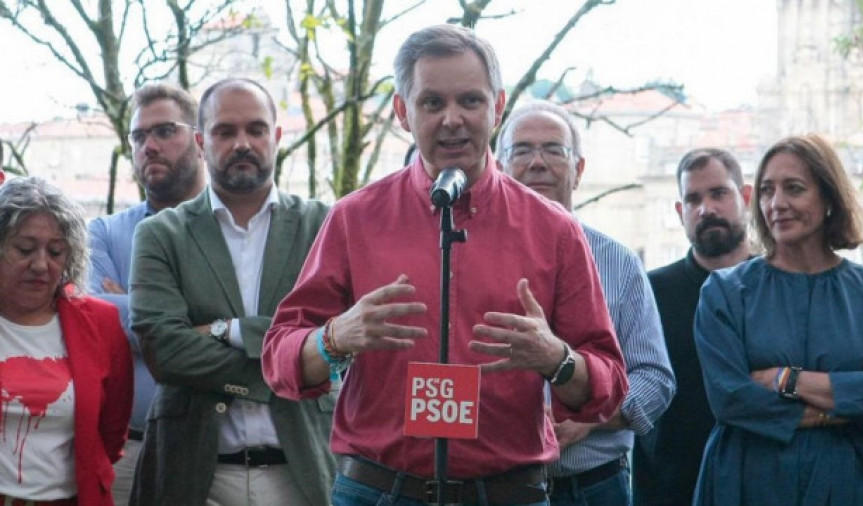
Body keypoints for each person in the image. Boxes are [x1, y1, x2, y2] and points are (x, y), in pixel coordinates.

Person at [263, 24, 627, 506]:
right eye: (432, 103)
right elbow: (279, 360)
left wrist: (556, 359)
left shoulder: (555, 229)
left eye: (470, 101)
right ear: (402, 112)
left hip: (507, 492)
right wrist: (334, 338)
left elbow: (609, 385)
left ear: (497, 107)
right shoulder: (354, 218)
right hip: (377, 490)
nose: (452, 119)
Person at [128, 78, 335, 506]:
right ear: (202, 142)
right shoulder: (160, 235)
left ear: (276, 137)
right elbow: (165, 351)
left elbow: (338, 336)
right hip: (193, 475)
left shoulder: (324, 225)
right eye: (225, 131)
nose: (242, 143)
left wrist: (228, 330)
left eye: (255, 129)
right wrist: (292, 361)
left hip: (303, 472)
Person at [692, 134, 863, 505]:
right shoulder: (724, 292)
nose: (777, 203)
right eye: (768, 191)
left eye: (794, 189)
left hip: (856, 482)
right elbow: (732, 400)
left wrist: (786, 379)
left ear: (829, 199)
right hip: (749, 482)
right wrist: (853, 397)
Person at [496, 100, 675, 505]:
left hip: (592, 488)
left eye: (554, 149)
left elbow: (655, 379)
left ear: (578, 170)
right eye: (521, 150)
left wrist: (590, 417)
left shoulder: (619, 263)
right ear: (499, 168)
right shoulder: (468, 259)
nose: (537, 162)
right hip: (497, 487)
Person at [87, 82, 205, 505]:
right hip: (125, 451)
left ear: (200, 138)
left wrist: (132, 305)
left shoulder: (232, 230)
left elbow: (259, 324)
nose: (149, 146)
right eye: (139, 136)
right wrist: (208, 321)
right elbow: (93, 322)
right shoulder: (103, 232)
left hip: (215, 453)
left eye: (164, 131)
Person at [0, 177, 133, 506]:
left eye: (56, 251)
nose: (42, 264)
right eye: (25, 249)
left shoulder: (100, 324)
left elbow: (112, 432)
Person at [631, 148, 753, 506]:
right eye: (693, 199)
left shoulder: (778, 287)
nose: (706, 209)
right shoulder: (648, 292)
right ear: (680, 212)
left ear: (745, 197)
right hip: (669, 489)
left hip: (763, 482)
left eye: (719, 194)